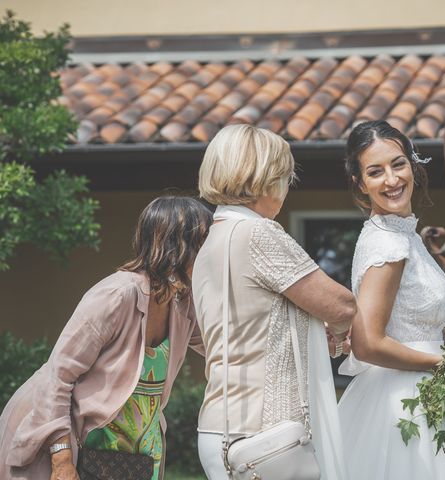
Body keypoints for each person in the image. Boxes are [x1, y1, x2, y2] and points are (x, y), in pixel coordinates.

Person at [0, 196, 213, 480]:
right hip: (73, 449)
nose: (212, 256)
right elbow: (58, 376)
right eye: (205, 245)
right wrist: (62, 459)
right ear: (177, 247)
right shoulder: (117, 295)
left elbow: (222, 345)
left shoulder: (181, 303)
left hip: (130, 461)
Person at [193, 124, 353, 480]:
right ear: (264, 178)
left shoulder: (213, 236)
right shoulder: (258, 232)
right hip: (266, 430)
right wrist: (339, 331)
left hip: (219, 425)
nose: (286, 189)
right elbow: (340, 305)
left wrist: (312, 330)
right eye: (284, 177)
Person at [337, 120, 445, 479]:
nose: (391, 180)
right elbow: (369, 343)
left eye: (398, 164)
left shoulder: (402, 234)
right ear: (360, 184)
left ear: (413, 164)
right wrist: (443, 365)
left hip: (422, 387)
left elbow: (404, 319)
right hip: (403, 402)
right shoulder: (388, 244)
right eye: (375, 172)